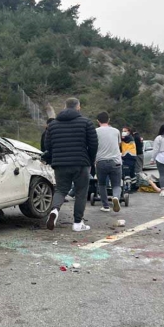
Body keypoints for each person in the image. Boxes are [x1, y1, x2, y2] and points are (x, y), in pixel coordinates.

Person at [44, 97, 98, 232]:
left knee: (61, 190)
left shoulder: (53, 125)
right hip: (80, 163)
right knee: (81, 192)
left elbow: (47, 146)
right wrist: (90, 160)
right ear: (78, 107)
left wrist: (53, 160)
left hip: (60, 163)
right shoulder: (86, 123)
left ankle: (55, 210)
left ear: (64, 106)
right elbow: (93, 144)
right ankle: (78, 223)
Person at [94, 111, 122, 213]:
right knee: (116, 184)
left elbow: (93, 146)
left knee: (101, 184)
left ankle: (105, 206)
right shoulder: (116, 131)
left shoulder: (95, 131)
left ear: (98, 121)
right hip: (115, 161)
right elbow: (118, 145)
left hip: (101, 161)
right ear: (109, 120)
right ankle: (116, 198)